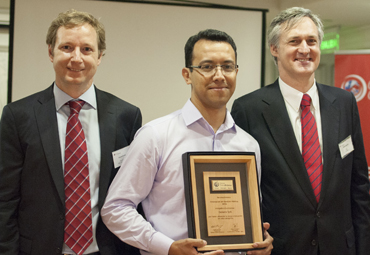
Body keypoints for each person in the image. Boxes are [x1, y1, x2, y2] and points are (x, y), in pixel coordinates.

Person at [101, 29, 273, 255]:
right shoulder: (155, 135)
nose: (219, 75)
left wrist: (260, 242)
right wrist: (168, 248)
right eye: (207, 66)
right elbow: (116, 208)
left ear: (236, 72)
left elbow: (247, 215)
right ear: (186, 75)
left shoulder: (248, 145)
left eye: (228, 66)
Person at [0, 9, 142, 255]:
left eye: (87, 49)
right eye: (67, 47)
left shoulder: (126, 116)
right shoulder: (18, 116)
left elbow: (135, 196)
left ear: (99, 57)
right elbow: (5, 200)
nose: (77, 58)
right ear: (50, 52)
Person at [231, 7, 370, 255]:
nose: (304, 49)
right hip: (281, 247)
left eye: (311, 41)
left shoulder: (345, 102)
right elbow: (243, 188)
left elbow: (358, 185)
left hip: (340, 246)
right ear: (274, 49)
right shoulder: (248, 109)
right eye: (294, 41)